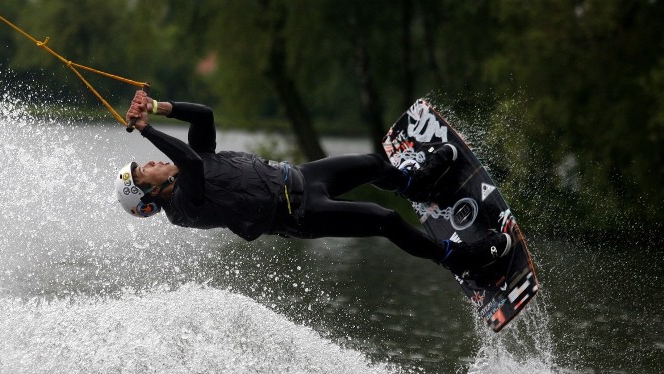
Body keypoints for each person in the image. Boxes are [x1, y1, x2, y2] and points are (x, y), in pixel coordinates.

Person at [115, 90, 511, 277]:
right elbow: (189, 163)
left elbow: (204, 116)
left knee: (373, 162)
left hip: (301, 176)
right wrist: (148, 130)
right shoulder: (185, 206)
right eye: (141, 172)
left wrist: (155, 107)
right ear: (150, 196)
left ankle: (416, 183)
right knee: (385, 220)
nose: (148, 163)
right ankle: (459, 258)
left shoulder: (193, 161)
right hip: (298, 214)